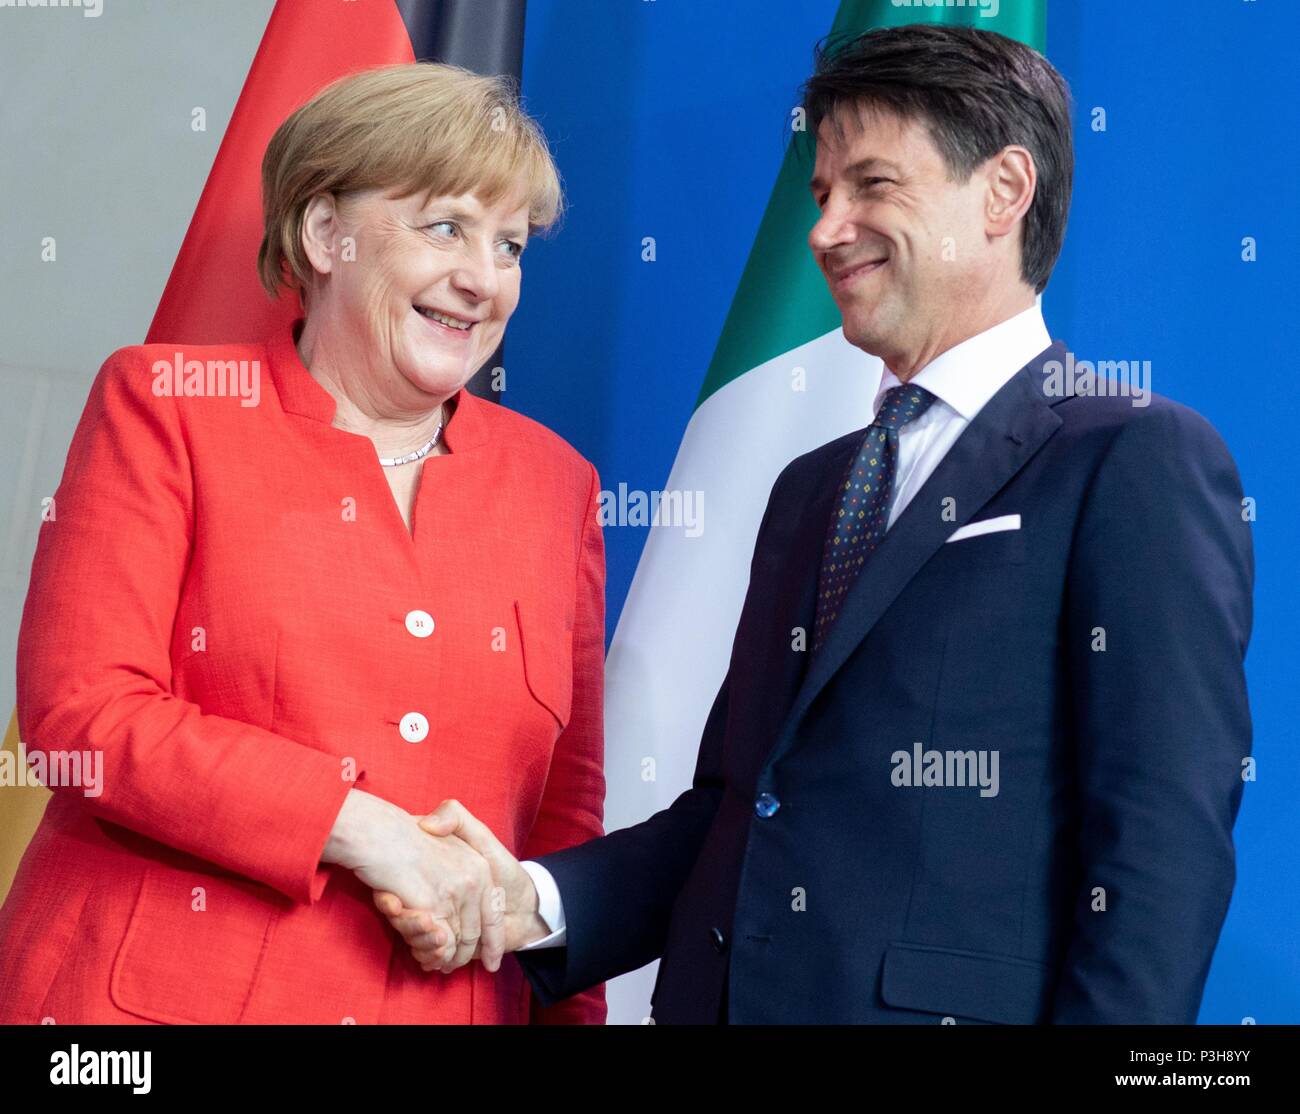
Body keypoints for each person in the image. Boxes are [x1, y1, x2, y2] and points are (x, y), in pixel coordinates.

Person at [379, 25, 1254, 1024]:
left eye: (873, 186)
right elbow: (730, 811)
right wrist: (524, 900)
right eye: (820, 194)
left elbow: (1160, 854)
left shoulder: (1133, 458)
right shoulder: (808, 487)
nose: (827, 229)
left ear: (1004, 191)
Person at [0, 62, 606, 1025]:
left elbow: (565, 820)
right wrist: (355, 825)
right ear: (326, 234)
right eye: (445, 226)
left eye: (511, 245)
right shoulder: (167, 406)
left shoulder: (556, 484)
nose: (481, 278)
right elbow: (83, 715)